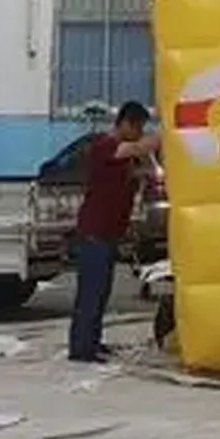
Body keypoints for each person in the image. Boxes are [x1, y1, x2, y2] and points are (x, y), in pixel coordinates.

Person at [68, 100, 161, 363]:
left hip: (108, 234)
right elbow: (136, 148)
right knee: (90, 293)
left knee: (101, 292)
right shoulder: (104, 146)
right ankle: (82, 349)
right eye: (139, 127)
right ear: (125, 123)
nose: (141, 133)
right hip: (94, 234)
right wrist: (165, 136)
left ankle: (92, 341)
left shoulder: (122, 159)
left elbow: (135, 171)